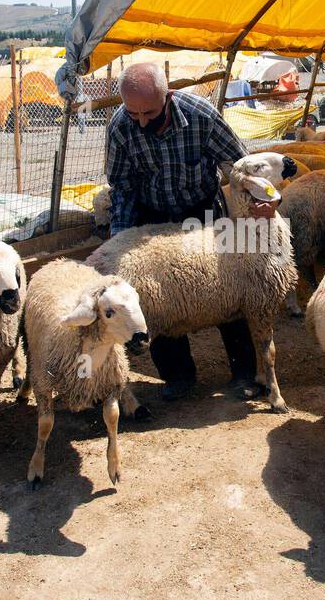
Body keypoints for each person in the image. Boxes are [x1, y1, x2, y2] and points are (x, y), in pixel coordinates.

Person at [106, 63, 258, 401]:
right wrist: (120, 238)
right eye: (134, 113)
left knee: (225, 287)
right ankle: (178, 376)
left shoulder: (200, 115)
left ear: (168, 96)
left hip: (200, 209)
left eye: (149, 112)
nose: (141, 121)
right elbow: (122, 187)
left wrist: (252, 204)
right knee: (157, 297)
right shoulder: (120, 126)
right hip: (153, 213)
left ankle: (245, 372)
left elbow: (237, 164)